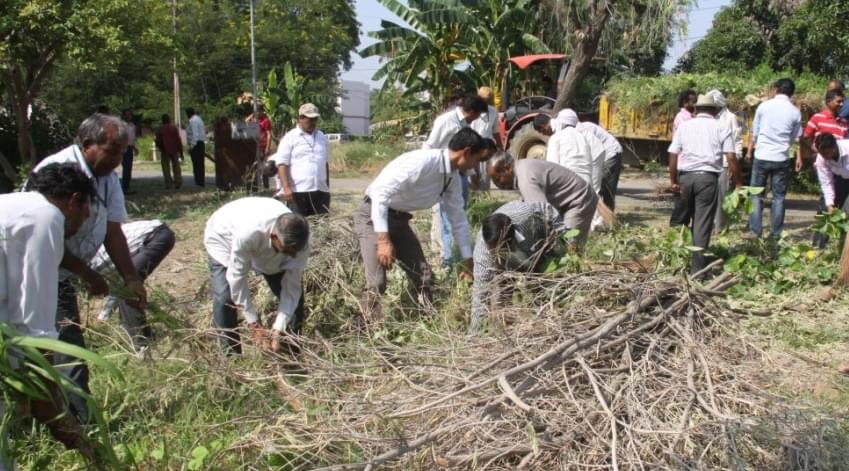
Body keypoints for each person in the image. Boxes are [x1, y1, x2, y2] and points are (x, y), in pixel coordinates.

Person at [32, 113, 146, 423]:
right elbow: (46, 239)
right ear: (87, 144)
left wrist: (131, 278)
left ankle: (71, 419)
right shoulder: (57, 172)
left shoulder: (108, 178)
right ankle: (79, 424)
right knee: (66, 349)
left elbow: (113, 231)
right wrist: (87, 273)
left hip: (65, 273)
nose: (118, 160)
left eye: (123, 152)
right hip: (40, 273)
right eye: (112, 151)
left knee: (66, 346)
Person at [1, 163, 98, 470]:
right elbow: (35, 329)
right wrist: (57, 414)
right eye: (86, 213)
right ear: (74, 200)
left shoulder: (13, 207)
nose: (83, 223)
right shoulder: (46, 216)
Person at [355, 128, 488, 319]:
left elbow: (458, 220)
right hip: (372, 217)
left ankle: (428, 319)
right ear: (466, 152)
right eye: (477, 159)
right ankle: (362, 328)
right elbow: (380, 195)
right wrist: (383, 240)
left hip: (399, 221)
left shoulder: (451, 178)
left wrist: (468, 260)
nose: (477, 166)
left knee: (425, 277)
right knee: (377, 282)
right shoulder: (421, 162)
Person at [204, 197, 310, 354]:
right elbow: (237, 278)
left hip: (263, 242)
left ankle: (289, 352)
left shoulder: (301, 244)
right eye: (287, 251)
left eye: (295, 252)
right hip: (223, 238)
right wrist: (253, 323)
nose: (293, 256)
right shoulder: (248, 234)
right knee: (225, 298)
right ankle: (230, 356)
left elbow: (291, 289)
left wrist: (279, 328)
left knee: (295, 302)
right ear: (274, 237)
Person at [668, 94, 743, 273]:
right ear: (715, 110)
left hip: (685, 178)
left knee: (681, 219)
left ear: (696, 109)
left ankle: (675, 262)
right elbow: (731, 157)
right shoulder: (721, 127)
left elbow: (673, 154)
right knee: (702, 224)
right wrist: (739, 182)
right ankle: (698, 271)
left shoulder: (684, 126)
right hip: (707, 179)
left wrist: (674, 181)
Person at [469, 200, 565, 332]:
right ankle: (508, 330)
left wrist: (564, 241)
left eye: (501, 249)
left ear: (510, 240)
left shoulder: (527, 218)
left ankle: (551, 321)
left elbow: (547, 210)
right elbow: (480, 295)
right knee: (503, 292)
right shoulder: (483, 255)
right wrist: (474, 332)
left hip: (539, 241)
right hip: (514, 254)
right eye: (495, 251)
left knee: (544, 285)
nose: (498, 253)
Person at [91, 220, 176, 353]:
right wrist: (103, 316)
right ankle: (144, 337)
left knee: (128, 289)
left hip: (157, 235)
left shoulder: (95, 264)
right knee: (126, 288)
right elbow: (116, 288)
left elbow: (119, 287)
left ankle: (141, 345)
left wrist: (103, 317)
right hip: (155, 233)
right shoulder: (93, 262)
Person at [424, 94, 488, 267]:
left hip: (459, 174)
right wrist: (431, 174)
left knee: (459, 215)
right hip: (443, 173)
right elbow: (429, 147)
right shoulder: (446, 121)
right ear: (472, 111)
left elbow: (466, 156)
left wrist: (471, 174)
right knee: (448, 219)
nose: (477, 118)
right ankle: (449, 261)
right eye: (478, 115)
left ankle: (460, 257)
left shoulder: (465, 124)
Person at [487, 153, 597, 247]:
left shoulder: (525, 179)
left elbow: (542, 214)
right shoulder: (522, 168)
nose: (498, 184)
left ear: (508, 168)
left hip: (578, 199)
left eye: (498, 179)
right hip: (566, 201)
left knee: (567, 245)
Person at [746, 78, 802, 239]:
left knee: (756, 195)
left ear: (776, 89)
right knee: (778, 198)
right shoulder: (795, 112)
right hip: (781, 158)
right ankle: (776, 233)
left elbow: (755, 132)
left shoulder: (764, 106)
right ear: (791, 93)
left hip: (762, 156)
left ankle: (755, 231)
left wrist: (750, 151)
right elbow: (794, 137)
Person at [804, 89, 847, 247]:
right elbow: (826, 183)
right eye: (822, 154)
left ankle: (843, 246)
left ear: (835, 147)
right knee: (828, 207)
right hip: (838, 176)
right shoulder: (822, 157)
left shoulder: (847, 147)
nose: (826, 157)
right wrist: (830, 204)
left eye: (828, 153)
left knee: (846, 210)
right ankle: (819, 244)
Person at [272, 103, 330, 216]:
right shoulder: (290, 137)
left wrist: (327, 187)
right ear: (301, 118)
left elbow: (325, 163)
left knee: (321, 224)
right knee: (299, 225)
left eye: (315, 119)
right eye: (310, 119)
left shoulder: (321, 137)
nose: (313, 122)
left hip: (320, 191)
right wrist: (286, 188)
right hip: (298, 191)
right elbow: (282, 164)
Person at [705, 89, 744, 232]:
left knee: (722, 195)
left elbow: (737, 140)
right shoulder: (706, 117)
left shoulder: (730, 118)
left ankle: (719, 227)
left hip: (724, 163)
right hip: (708, 162)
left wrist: (734, 162)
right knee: (707, 196)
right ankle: (707, 225)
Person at [575, 118, 624, 211]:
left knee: (605, 187)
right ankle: (603, 213)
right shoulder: (580, 128)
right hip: (606, 154)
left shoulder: (583, 129)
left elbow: (593, 151)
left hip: (610, 154)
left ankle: (607, 215)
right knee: (600, 187)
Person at [471, 86, 501, 192]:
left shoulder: (493, 111)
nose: (486, 102)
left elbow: (496, 131)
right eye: (484, 100)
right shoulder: (472, 110)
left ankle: (483, 196)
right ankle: (473, 196)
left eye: (489, 100)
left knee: (485, 177)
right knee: (473, 175)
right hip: (473, 147)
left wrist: (500, 148)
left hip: (487, 149)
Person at [155, 114, 183, 189]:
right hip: (174, 149)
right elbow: (178, 140)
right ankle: (178, 181)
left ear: (162, 121)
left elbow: (158, 141)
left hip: (165, 150)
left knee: (166, 167)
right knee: (176, 166)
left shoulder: (160, 129)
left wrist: (160, 147)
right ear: (169, 120)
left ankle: (168, 183)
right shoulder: (174, 128)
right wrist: (181, 152)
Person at [186, 107, 206, 187]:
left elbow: (195, 135)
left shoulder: (193, 121)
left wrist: (191, 146)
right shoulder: (198, 119)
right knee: (200, 164)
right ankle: (201, 181)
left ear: (189, 113)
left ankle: (198, 182)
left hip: (196, 145)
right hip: (200, 143)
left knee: (196, 164)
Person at [120, 109, 137, 193]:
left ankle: (127, 186)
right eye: (127, 114)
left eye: (130, 114)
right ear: (124, 116)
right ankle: (124, 187)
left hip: (130, 147)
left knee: (129, 167)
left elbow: (133, 137)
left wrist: (135, 147)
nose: (129, 116)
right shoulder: (121, 125)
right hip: (124, 148)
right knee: (126, 167)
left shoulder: (133, 126)